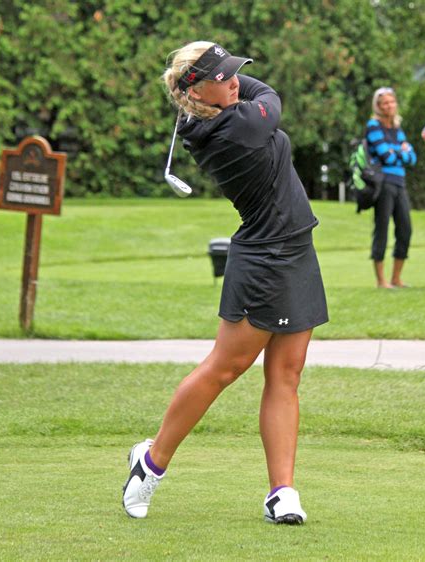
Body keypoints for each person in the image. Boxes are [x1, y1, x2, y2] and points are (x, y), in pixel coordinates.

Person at [122, 41, 328, 525]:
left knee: (286, 375)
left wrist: (211, 78)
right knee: (224, 369)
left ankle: (282, 492)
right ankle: (149, 464)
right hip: (263, 259)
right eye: (225, 76)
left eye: (236, 72)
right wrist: (202, 83)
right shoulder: (234, 127)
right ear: (198, 90)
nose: (236, 81)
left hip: (296, 248)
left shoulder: (219, 111)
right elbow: (269, 96)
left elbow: (254, 88)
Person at [365, 87, 417, 288]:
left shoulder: (397, 128)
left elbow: (411, 158)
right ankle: (381, 281)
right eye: (385, 102)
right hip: (383, 183)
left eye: (392, 101)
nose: (389, 105)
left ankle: (396, 278)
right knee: (382, 229)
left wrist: (398, 152)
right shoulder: (373, 126)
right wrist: (400, 150)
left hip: (400, 183)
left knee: (405, 229)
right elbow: (386, 156)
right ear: (378, 106)